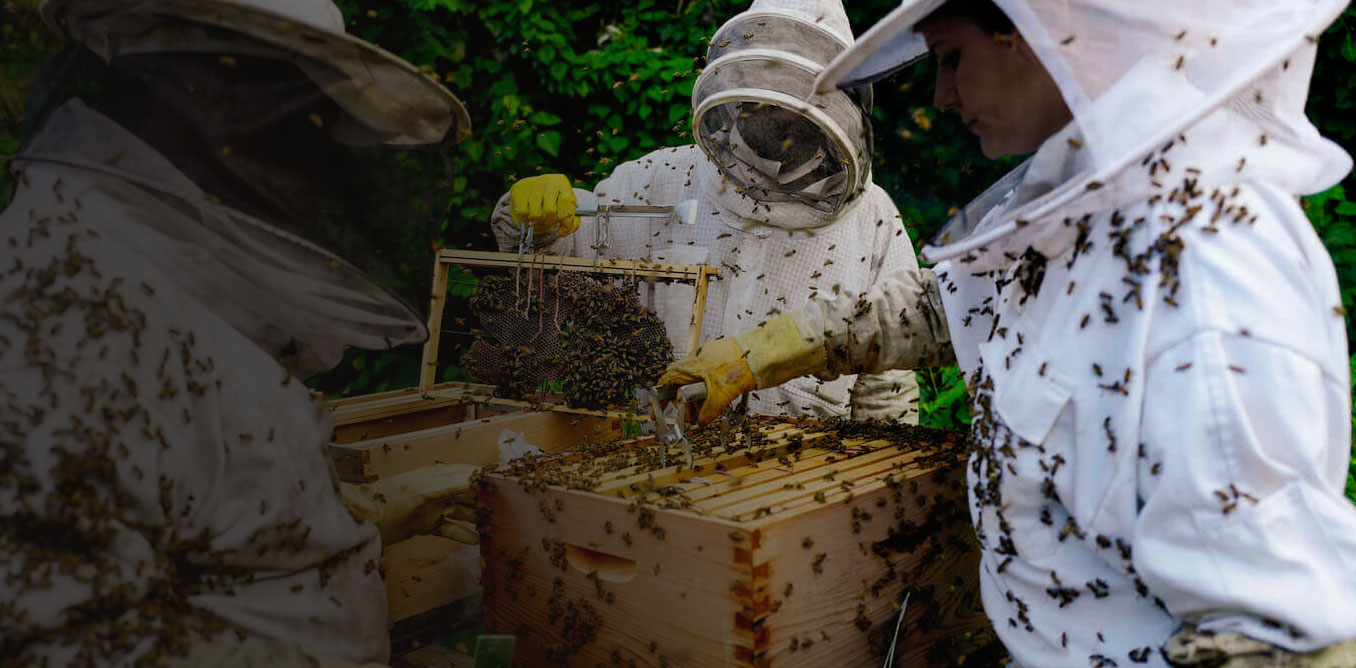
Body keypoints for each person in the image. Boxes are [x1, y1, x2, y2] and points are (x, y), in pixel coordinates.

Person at [661, 0, 1356, 665]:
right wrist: (764, 351)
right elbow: (947, 305)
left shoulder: (1206, 278)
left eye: (951, 58)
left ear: (1040, 33)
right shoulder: (1086, 214)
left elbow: (1278, 640)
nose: (942, 98)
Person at [0, 1, 477, 665]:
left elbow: (193, 517)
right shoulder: (59, 319)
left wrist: (381, 507)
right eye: (308, 125)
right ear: (213, 98)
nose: (323, 171)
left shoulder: (144, 280)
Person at [491, 0, 950, 424]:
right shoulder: (656, 179)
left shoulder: (873, 222)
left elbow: (887, 388)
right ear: (738, 82)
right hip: (637, 460)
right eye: (768, 88)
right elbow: (551, 276)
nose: (780, 110)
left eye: (800, 93)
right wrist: (535, 218)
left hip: (792, 488)